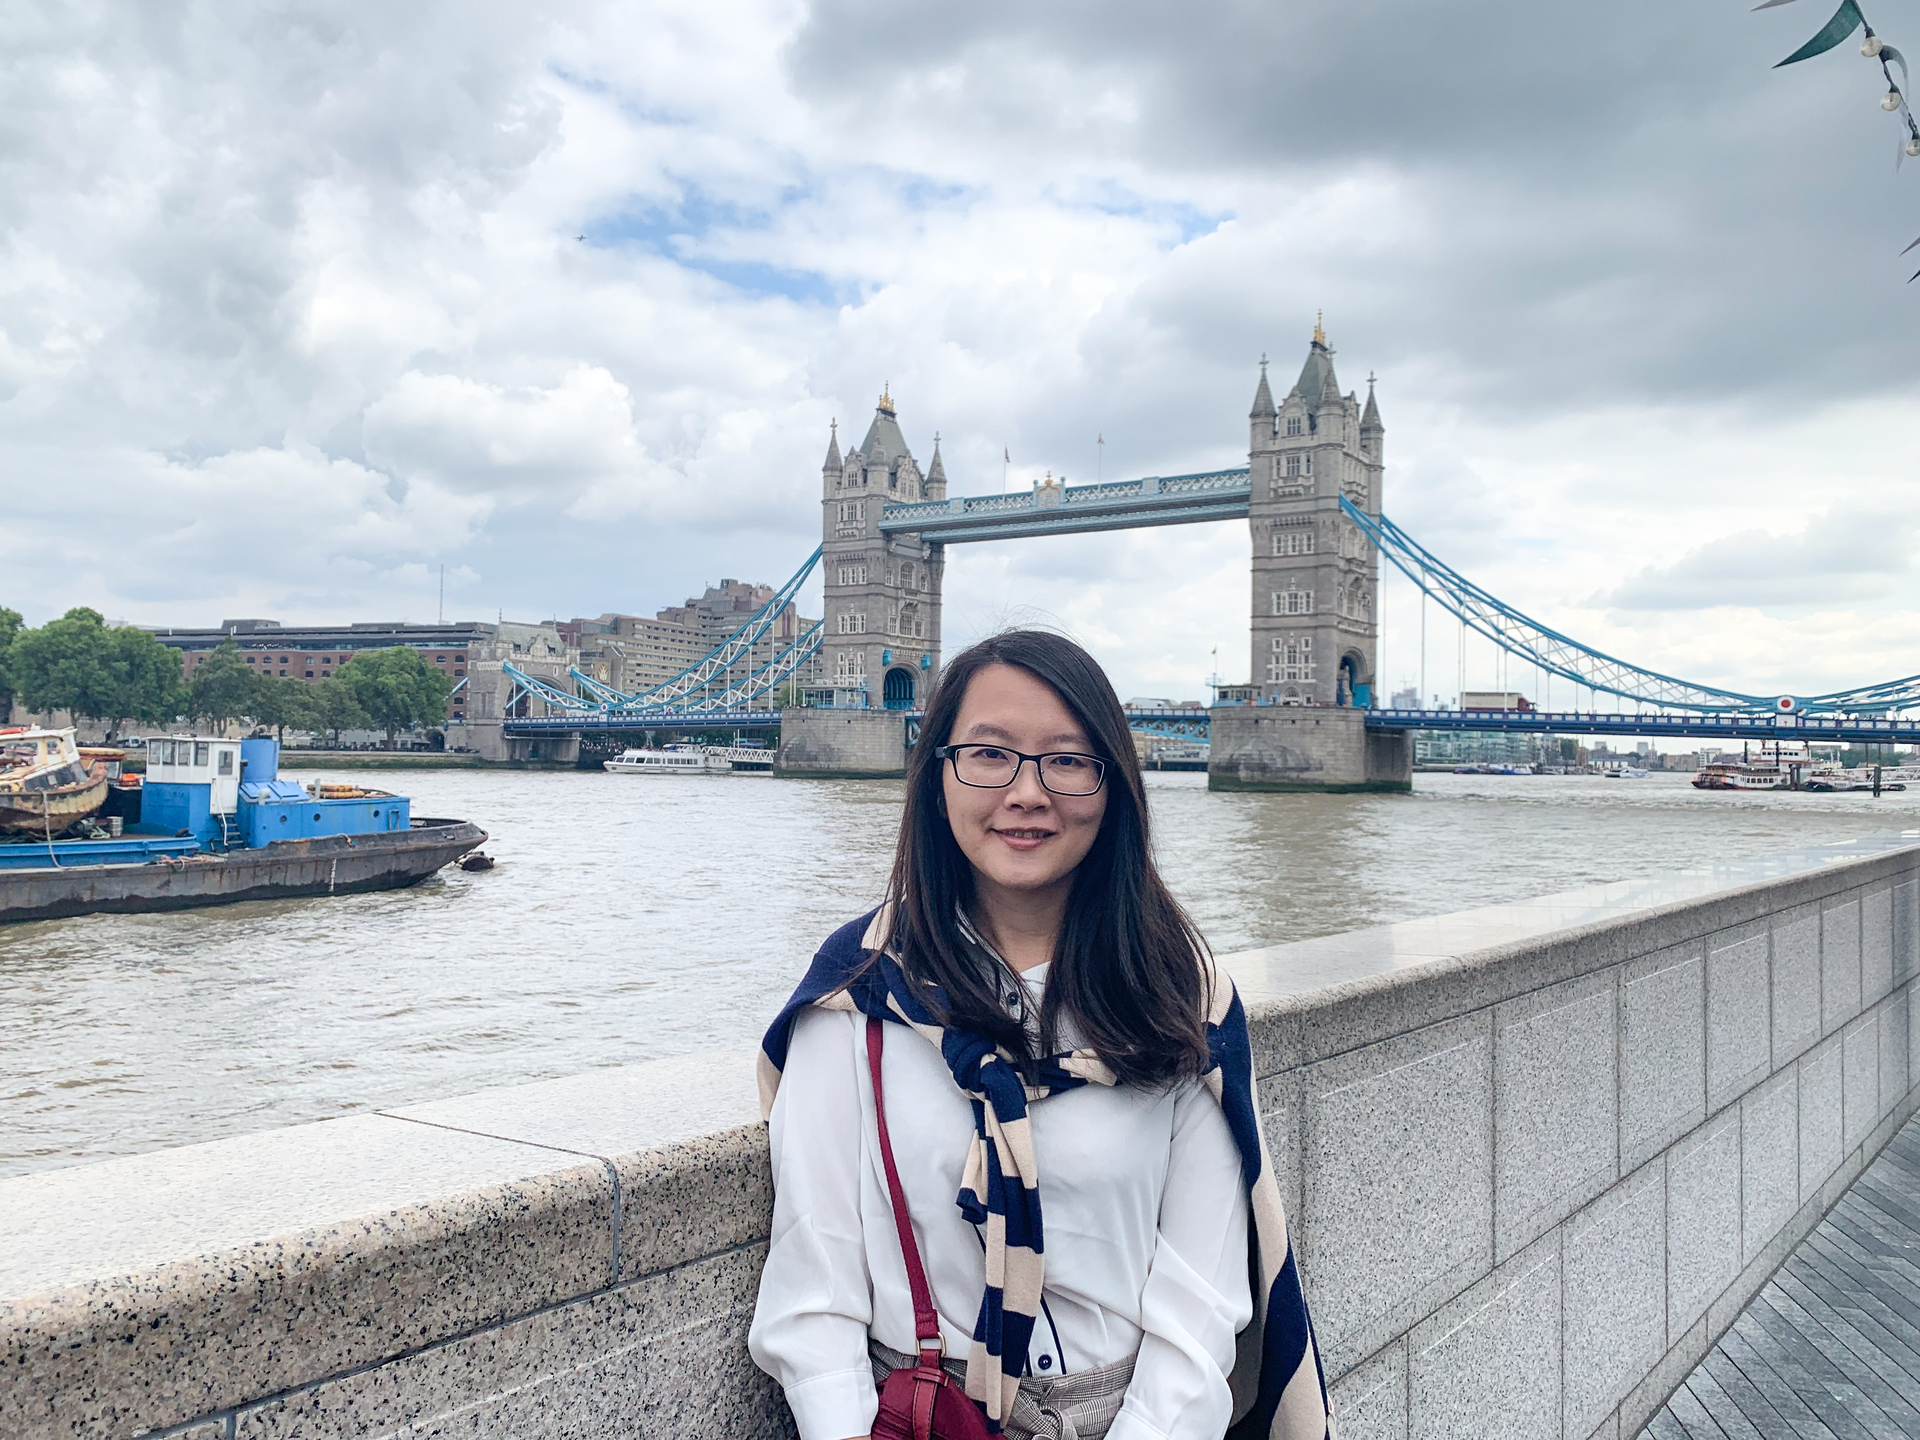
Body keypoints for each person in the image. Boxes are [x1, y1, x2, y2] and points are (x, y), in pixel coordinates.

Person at [752, 630, 1331, 1440]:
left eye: (1067, 759)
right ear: (936, 774)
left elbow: (1199, 1318)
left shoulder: (1182, 1001)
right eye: (988, 754)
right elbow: (814, 1291)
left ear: (1114, 786)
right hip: (925, 1418)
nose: (1026, 792)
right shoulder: (858, 990)